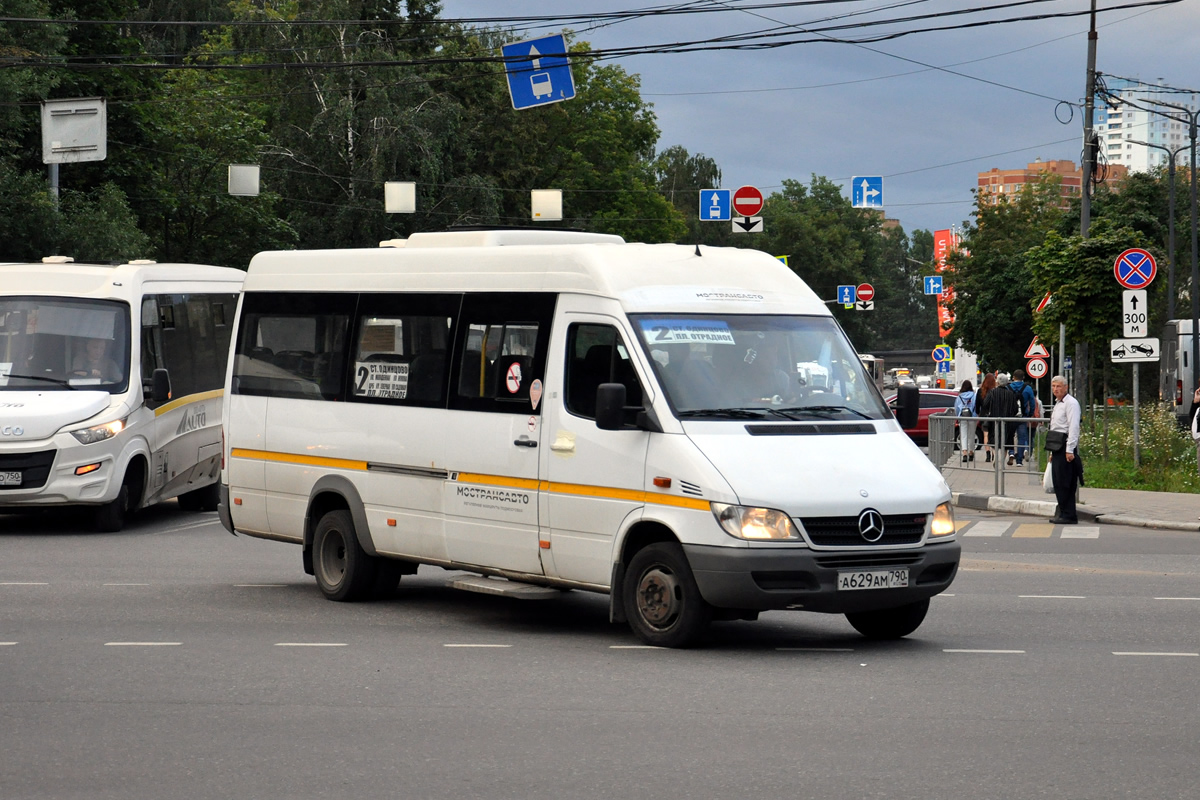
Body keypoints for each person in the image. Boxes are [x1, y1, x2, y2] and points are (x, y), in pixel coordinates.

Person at [1048, 375, 1082, 525]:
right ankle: (1063, 511)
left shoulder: (1071, 403)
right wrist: (1051, 452)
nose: (1056, 389)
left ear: (1066, 387)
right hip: (1056, 446)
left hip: (1065, 446)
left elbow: (1073, 427)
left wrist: (1070, 449)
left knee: (1066, 481)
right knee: (1058, 481)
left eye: (1059, 386)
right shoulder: (1058, 403)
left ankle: (1069, 514)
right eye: (1054, 386)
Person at [990, 372, 1020, 464]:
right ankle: (1002, 461)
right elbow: (1015, 408)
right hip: (1007, 422)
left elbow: (986, 404)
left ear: (997, 382)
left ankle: (995, 456)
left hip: (994, 421)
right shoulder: (1010, 394)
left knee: (994, 440)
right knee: (1006, 443)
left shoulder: (992, 392)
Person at [1009, 368, 1036, 467]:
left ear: (1013, 377)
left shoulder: (1009, 387)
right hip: (1022, 416)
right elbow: (1032, 403)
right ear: (1023, 378)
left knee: (1010, 436)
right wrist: (1030, 413)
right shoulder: (1028, 388)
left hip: (1010, 417)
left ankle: (1011, 453)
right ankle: (1019, 460)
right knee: (1021, 437)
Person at [975, 372, 998, 462]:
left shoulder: (981, 391)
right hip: (994, 415)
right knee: (993, 435)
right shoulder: (995, 391)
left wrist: (978, 413)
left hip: (984, 415)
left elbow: (977, 405)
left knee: (986, 435)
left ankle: (987, 454)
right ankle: (993, 454)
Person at [954, 379, 977, 461]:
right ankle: (971, 452)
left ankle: (964, 453)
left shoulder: (959, 397)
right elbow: (976, 406)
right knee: (971, 435)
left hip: (962, 417)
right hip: (972, 417)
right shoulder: (974, 395)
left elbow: (956, 408)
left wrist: (958, 416)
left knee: (963, 435)